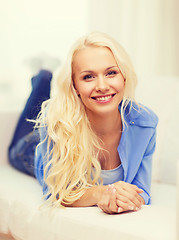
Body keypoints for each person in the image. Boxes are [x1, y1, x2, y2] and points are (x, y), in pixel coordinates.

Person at [8, 32, 158, 214]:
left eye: (111, 73)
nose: (102, 86)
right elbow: (55, 192)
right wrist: (99, 194)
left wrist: (125, 199)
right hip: (31, 149)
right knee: (17, 145)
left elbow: (142, 190)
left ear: (124, 77)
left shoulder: (145, 123)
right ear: (74, 86)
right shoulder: (56, 121)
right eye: (89, 77)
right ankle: (43, 75)